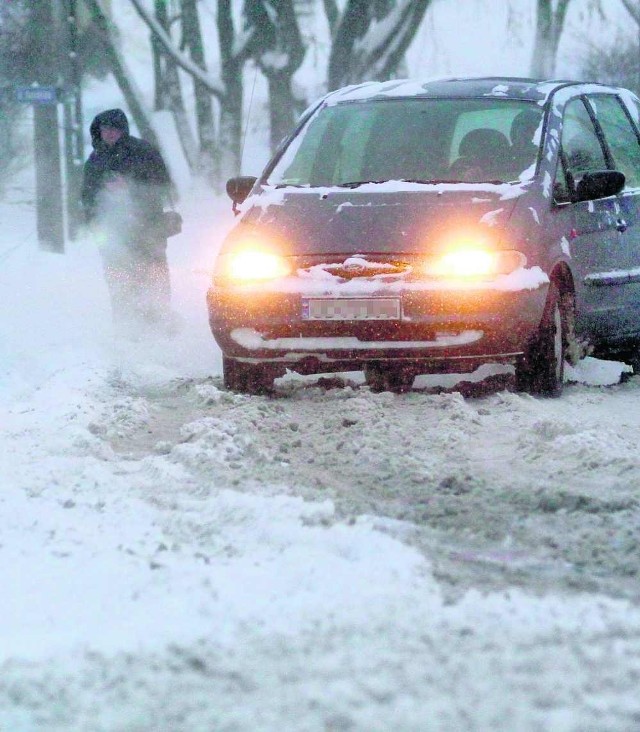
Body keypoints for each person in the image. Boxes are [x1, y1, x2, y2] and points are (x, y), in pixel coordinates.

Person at [81, 108, 175, 333]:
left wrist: (130, 189)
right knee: (120, 283)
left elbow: (162, 186)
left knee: (153, 280)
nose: (110, 133)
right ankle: (126, 329)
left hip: (147, 232)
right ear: (99, 131)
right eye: (105, 129)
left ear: (123, 130)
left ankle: (160, 327)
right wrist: (96, 227)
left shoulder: (144, 152)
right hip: (114, 237)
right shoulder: (95, 160)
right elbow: (87, 197)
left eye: (115, 129)